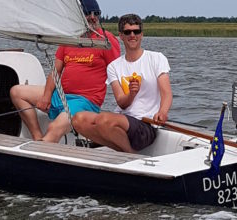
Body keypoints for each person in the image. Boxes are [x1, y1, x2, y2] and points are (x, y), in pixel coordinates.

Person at [9, 0, 120, 141]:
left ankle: (42, 150)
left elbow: (119, 71)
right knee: (16, 92)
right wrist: (46, 96)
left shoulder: (106, 40)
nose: (93, 17)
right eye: (87, 13)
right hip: (61, 96)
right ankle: (37, 136)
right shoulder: (69, 40)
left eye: (96, 13)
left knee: (54, 128)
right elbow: (55, 71)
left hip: (85, 101)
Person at [71, 13, 171, 153]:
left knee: (104, 120)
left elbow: (166, 93)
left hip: (145, 125)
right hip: (123, 119)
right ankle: (127, 151)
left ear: (141, 35)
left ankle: (129, 154)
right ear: (121, 36)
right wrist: (132, 94)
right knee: (78, 119)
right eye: (127, 32)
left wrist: (162, 112)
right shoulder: (114, 66)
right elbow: (122, 103)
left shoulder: (157, 58)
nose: (132, 35)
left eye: (136, 31)